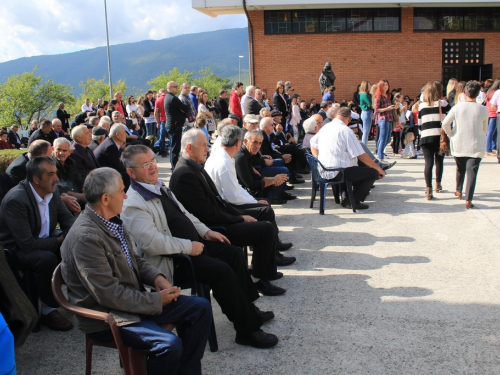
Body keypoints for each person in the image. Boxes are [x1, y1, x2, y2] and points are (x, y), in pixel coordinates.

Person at [120, 146, 280, 348]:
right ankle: (246, 330)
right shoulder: (134, 202)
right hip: (174, 262)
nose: (153, 166)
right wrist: (189, 247)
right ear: (131, 173)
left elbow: (186, 215)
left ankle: (247, 309)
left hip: (192, 247)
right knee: (221, 271)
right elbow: (151, 243)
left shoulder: (158, 186)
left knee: (232, 254)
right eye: (145, 164)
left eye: (153, 160)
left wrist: (206, 232)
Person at [61, 167, 211, 374]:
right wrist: (157, 301)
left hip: (131, 304)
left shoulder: (112, 220)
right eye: (122, 191)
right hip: (109, 317)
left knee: (200, 308)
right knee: (168, 345)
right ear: (105, 199)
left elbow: (135, 260)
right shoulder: (86, 238)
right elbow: (108, 295)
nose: (125, 195)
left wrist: (156, 277)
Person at [0, 156, 75, 331]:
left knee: (73, 247)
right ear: (36, 179)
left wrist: (70, 238)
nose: (56, 178)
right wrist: (59, 240)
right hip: (14, 251)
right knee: (46, 259)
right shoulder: (17, 200)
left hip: (43, 241)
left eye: (55, 173)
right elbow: (27, 244)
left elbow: (67, 220)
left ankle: (77, 296)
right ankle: (48, 311)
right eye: (50, 174)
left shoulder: (52, 192)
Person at [310, 107, 385, 210]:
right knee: (372, 173)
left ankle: (347, 195)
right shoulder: (346, 130)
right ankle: (352, 200)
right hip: (338, 172)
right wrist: (378, 168)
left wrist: (318, 159)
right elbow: (361, 155)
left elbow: (313, 143)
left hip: (324, 169)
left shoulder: (326, 127)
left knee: (357, 167)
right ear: (349, 119)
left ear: (336, 115)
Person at [442, 81, 488, 209]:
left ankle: (458, 189)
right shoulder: (483, 109)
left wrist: (451, 134)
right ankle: (468, 199)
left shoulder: (457, 107)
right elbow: (485, 129)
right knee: (472, 172)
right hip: (476, 144)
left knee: (460, 168)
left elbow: (445, 123)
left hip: (459, 142)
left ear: (465, 93)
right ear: (478, 93)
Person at [418, 81, 451, 200]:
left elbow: (420, 125)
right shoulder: (443, 104)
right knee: (439, 161)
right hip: (439, 137)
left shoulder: (421, 106)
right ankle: (438, 184)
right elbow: (448, 119)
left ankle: (428, 189)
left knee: (428, 163)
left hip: (426, 137)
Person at [52, 137, 84, 212]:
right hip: (59, 198)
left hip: (75, 195)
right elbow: (56, 186)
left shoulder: (72, 162)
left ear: (69, 152)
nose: (61, 153)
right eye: (58, 149)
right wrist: (78, 195)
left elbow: (78, 180)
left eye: (64, 150)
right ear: (53, 149)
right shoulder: (50, 164)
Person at [94, 123, 130, 189]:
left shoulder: (110, 142)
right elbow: (118, 167)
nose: (126, 135)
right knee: (128, 175)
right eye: (124, 132)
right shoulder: (110, 146)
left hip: (105, 170)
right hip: (102, 176)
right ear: (117, 135)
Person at [164, 81, 189, 169]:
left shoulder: (169, 97)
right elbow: (186, 108)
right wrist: (183, 110)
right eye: (175, 87)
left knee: (174, 148)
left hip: (173, 125)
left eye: (177, 86)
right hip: (174, 126)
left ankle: (174, 166)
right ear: (169, 88)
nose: (177, 88)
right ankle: (174, 168)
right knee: (175, 149)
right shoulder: (172, 98)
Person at [374, 79, 396, 161]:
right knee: (382, 138)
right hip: (382, 119)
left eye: (387, 85)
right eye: (384, 85)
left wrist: (393, 108)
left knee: (387, 139)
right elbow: (376, 110)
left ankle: (379, 153)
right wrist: (387, 108)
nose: (385, 86)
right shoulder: (378, 96)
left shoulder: (388, 96)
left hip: (389, 118)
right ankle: (380, 157)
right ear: (380, 86)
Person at [485, 78, 500, 156]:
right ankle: (488, 149)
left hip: (489, 112)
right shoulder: (495, 92)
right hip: (494, 113)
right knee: (491, 132)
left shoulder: (489, 91)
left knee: (493, 132)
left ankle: (493, 147)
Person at [359, 81, 374, 145]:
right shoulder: (364, 94)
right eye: (369, 86)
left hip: (366, 112)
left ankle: (364, 145)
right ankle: (364, 146)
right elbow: (370, 103)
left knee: (366, 131)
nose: (370, 87)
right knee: (366, 131)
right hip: (367, 112)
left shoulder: (363, 94)